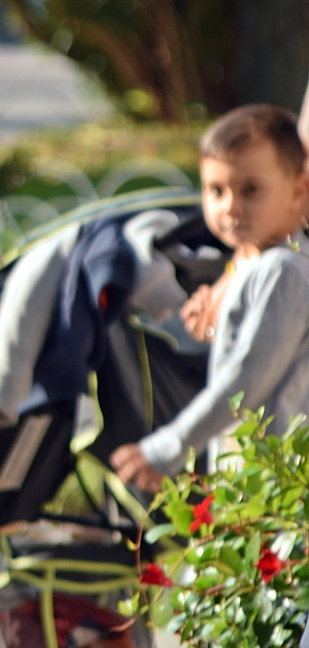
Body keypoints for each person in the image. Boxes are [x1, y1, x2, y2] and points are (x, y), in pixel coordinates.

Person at [109, 104, 309, 493]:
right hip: (260, 479)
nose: (230, 207)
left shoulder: (283, 271)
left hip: (275, 481)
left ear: (298, 190)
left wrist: (168, 446)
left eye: (250, 190)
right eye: (216, 190)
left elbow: (246, 378)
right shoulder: (264, 263)